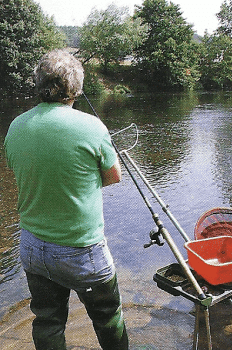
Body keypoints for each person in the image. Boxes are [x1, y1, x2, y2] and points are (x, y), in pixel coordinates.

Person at [4, 49, 128, 350]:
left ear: (39, 84)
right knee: (107, 315)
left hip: (33, 247)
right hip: (82, 249)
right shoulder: (92, 127)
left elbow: (20, 170)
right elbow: (114, 176)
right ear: (76, 88)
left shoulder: (15, 126)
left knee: (47, 320)